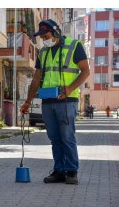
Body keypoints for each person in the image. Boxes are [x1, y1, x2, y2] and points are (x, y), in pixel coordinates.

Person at [20, 19, 90, 185]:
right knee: (55, 138)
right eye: (42, 37)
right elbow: (37, 78)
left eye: (47, 35)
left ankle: (72, 171)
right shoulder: (43, 52)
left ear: (56, 33)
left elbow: (86, 71)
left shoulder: (74, 46)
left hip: (67, 101)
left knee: (67, 137)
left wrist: (69, 89)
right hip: (48, 101)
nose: (44, 39)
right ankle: (59, 170)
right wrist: (28, 102)